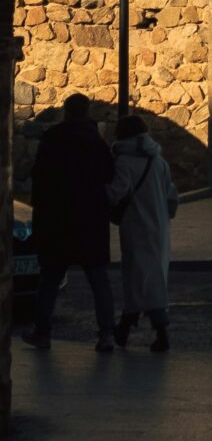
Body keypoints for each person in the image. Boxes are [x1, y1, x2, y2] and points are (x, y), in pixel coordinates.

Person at [27, 93, 116, 352]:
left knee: (49, 281)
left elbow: (39, 179)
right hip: (90, 220)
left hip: (58, 220)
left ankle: (42, 332)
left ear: (66, 111)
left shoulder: (53, 139)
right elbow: (109, 175)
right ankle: (106, 333)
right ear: (87, 112)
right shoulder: (97, 143)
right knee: (98, 280)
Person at [108, 111, 179, 353]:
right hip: (158, 227)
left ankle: (126, 328)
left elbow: (116, 192)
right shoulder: (159, 162)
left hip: (136, 226)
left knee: (135, 279)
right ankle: (153, 331)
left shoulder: (124, 162)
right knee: (154, 278)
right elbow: (172, 196)